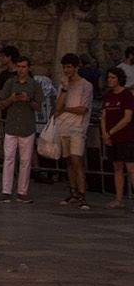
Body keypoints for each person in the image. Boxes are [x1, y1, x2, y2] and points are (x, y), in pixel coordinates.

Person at [52, 52, 93, 211]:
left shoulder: (86, 85)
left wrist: (66, 109)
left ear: (76, 67)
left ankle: (82, 193)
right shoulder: (63, 85)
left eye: (69, 67)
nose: (66, 70)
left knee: (77, 161)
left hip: (77, 128)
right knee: (68, 161)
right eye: (64, 67)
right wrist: (64, 89)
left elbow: (82, 109)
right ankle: (73, 191)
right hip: (64, 127)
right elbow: (57, 107)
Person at [0, 51, 38, 202]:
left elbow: (38, 106)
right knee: (8, 158)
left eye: (24, 67)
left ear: (28, 68)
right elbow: (2, 103)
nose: (21, 69)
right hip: (12, 124)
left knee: (25, 160)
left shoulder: (34, 84)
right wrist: (12, 99)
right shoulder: (10, 83)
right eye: (19, 67)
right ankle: (6, 190)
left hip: (27, 126)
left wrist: (28, 100)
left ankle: (22, 191)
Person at [100, 65, 132, 208]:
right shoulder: (108, 96)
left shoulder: (126, 95)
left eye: (113, 77)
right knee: (117, 167)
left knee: (131, 168)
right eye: (108, 77)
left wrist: (112, 131)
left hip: (125, 136)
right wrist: (104, 133)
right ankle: (118, 199)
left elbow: (127, 118)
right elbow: (104, 115)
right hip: (111, 137)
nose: (110, 80)